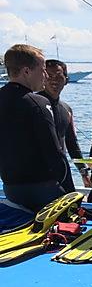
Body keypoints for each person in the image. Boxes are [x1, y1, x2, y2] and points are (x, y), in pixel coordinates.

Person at [0, 44, 70, 211]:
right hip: (43, 189)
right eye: (42, 69)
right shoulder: (37, 102)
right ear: (26, 71)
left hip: (11, 188)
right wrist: (70, 193)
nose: (45, 75)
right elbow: (54, 152)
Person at [38, 59, 90, 191]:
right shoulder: (34, 104)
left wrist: (83, 172)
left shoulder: (66, 109)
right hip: (36, 174)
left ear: (66, 79)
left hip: (61, 172)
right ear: (42, 78)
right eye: (49, 76)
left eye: (58, 76)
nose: (53, 80)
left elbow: (72, 143)